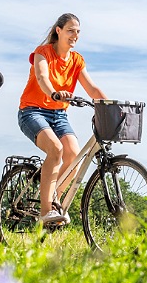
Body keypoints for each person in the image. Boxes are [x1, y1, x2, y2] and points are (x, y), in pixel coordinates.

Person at [18, 13, 108, 227]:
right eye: (70, 30)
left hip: (59, 115)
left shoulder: (77, 60)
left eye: (77, 31)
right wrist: (54, 93)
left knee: (74, 156)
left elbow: (92, 88)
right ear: (58, 31)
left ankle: (54, 199)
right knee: (56, 149)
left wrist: (111, 106)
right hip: (32, 111)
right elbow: (42, 77)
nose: (75, 35)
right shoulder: (43, 52)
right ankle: (45, 211)